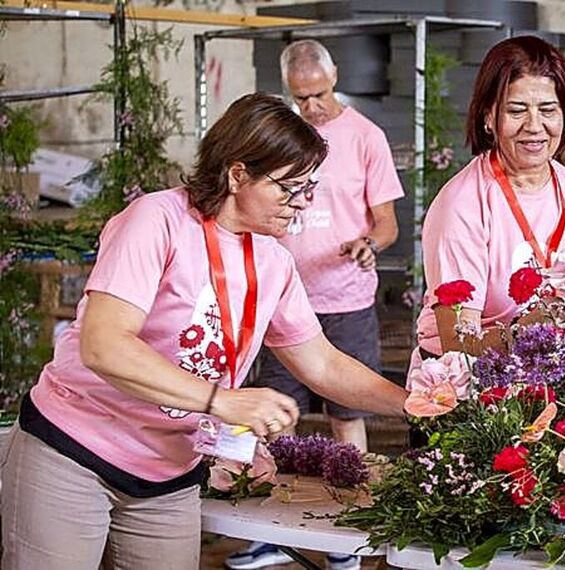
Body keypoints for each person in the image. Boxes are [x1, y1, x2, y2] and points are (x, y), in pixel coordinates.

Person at [0, 93, 408, 570]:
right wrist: (221, 400)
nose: (301, 204)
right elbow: (104, 345)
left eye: (308, 187)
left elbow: (321, 362)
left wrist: (410, 404)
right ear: (238, 175)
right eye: (288, 188)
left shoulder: (274, 260)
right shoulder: (157, 220)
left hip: (169, 471)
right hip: (74, 452)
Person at [226, 40, 403, 570]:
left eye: (320, 95)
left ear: (335, 78)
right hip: (279, 301)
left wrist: (368, 244)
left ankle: (345, 535)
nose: (313, 108)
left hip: (344, 299)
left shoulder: (366, 137)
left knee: (346, 412)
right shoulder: (281, 138)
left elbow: (388, 223)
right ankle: (266, 530)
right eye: (301, 98)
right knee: (277, 415)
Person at [415, 36, 565, 364]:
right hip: (473, 388)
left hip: (557, 377)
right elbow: (457, 341)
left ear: (564, 114)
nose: (534, 126)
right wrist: (525, 331)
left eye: (547, 110)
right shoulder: (462, 204)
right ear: (488, 116)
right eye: (516, 110)